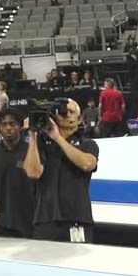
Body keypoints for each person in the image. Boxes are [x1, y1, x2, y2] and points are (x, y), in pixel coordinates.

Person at [24, 99, 100, 243]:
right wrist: (32, 136)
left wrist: (57, 138)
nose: (67, 115)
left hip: (77, 218)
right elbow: (33, 172)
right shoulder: (41, 145)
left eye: (71, 112)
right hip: (45, 218)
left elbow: (87, 164)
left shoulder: (87, 144)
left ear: (79, 119)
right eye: (63, 112)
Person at [0, 110, 35, 238]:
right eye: (4, 124)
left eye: (12, 124)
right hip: (4, 223)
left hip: (33, 223)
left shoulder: (32, 151)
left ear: (20, 126)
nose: (8, 128)